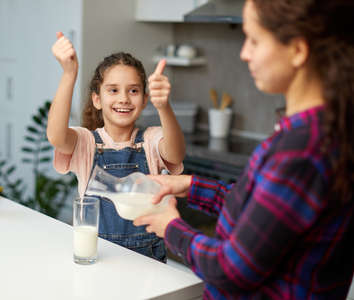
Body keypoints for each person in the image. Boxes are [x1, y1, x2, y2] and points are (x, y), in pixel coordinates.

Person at [134, 0, 354, 298]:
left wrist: (170, 226)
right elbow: (258, 215)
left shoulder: (302, 150)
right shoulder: (316, 130)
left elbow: (231, 269)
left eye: (254, 40)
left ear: (298, 51)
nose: (244, 53)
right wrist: (188, 185)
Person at [47, 32, 186, 262]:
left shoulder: (151, 139)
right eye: (113, 90)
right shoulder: (87, 143)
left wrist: (164, 107)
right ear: (97, 99)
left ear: (144, 100)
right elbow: (56, 136)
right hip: (99, 256)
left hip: (147, 261)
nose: (123, 98)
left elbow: (176, 152)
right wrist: (69, 73)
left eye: (133, 91)